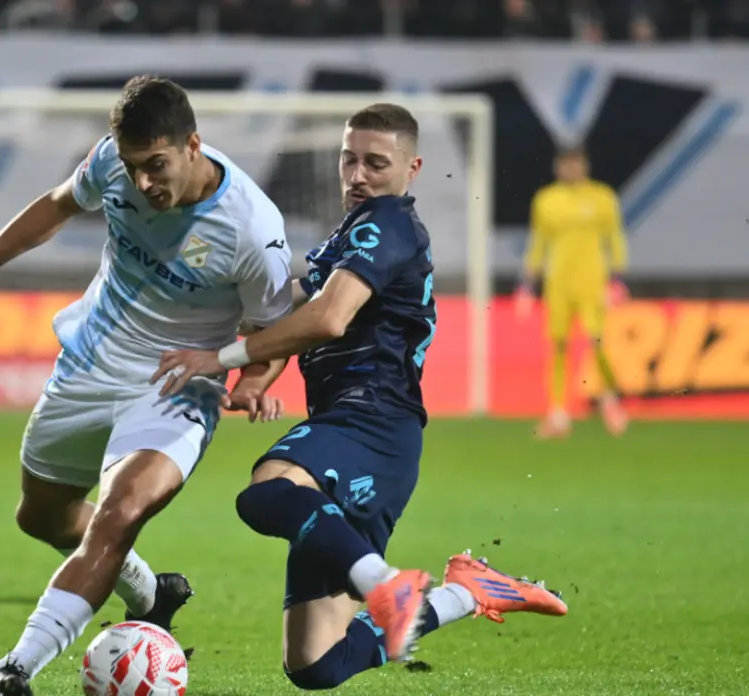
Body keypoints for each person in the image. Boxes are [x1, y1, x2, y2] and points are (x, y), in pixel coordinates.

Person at [153, 103, 568, 689]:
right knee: (315, 664)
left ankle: (384, 584)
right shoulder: (352, 236)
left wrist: (220, 359)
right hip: (376, 440)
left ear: (412, 168)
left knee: (267, 492)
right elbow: (288, 311)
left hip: (368, 422)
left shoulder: (387, 224)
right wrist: (255, 377)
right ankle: (466, 592)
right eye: (349, 159)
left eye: (376, 163)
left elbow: (328, 318)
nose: (358, 175)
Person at [0, 75, 293, 696]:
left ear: (193, 146)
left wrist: (251, 378)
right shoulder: (112, 160)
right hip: (90, 363)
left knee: (119, 512)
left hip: (176, 384)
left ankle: (15, 669)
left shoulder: (252, 229)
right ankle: (150, 593)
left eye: (156, 165)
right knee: (43, 518)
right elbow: (58, 205)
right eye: (134, 166)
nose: (143, 182)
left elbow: (275, 332)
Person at [516, 145, 630, 439]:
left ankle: (611, 401)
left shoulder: (602, 197)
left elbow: (614, 237)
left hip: (592, 282)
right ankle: (558, 414)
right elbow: (539, 242)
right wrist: (528, 285)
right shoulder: (546, 200)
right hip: (558, 284)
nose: (570, 170)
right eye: (565, 165)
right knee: (558, 346)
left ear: (585, 166)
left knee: (598, 342)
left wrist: (617, 278)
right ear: (557, 168)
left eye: (575, 164)